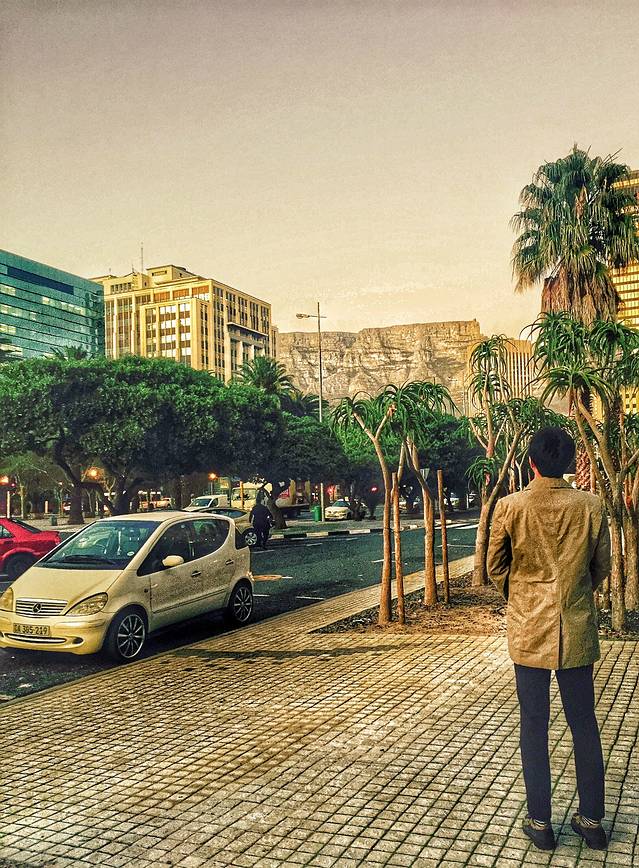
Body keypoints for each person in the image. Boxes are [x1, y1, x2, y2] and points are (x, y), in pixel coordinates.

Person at [487, 427, 610, 852]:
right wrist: (575, 593)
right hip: (576, 627)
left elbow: (495, 566)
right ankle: (592, 823)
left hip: (528, 630)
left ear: (531, 462)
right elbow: (601, 565)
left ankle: (540, 824)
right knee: (584, 723)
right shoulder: (591, 506)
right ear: (570, 463)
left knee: (533, 726)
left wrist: (522, 596)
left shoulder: (510, 506)